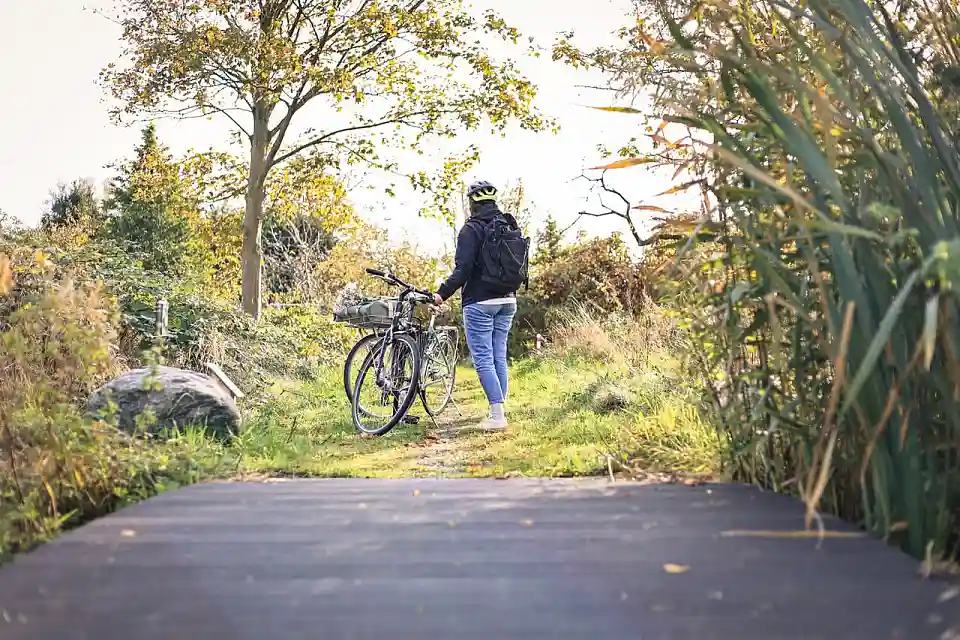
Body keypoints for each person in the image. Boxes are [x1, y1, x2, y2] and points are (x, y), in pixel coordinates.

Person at [434, 181, 529, 431]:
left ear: (471, 204)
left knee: (484, 359)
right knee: (499, 355)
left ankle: (497, 416)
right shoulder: (508, 225)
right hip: (508, 299)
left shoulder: (470, 230)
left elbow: (462, 271)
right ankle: (497, 409)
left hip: (480, 302)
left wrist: (441, 294)